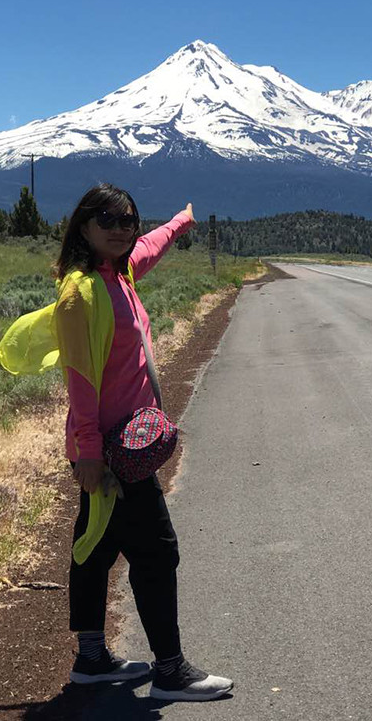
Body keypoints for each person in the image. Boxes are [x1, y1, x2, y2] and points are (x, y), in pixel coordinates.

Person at [51, 183, 233, 702]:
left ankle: (91, 659)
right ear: (84, 225)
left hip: (116, 447)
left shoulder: (120, 271)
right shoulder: (80, 295)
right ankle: (170, 671)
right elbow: (80, 380)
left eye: (127, 219)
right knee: (156, 552)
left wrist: (181, 221)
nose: (120, 227)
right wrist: (89, 453)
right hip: (110, 453)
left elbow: (150, 246)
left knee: (97, 544)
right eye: (106, 217)